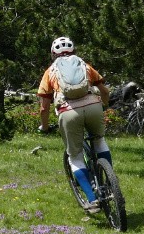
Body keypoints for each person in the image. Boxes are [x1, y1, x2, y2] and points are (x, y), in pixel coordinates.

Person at [36, 36, 112, 211]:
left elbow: (44, 107)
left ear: (53, 54)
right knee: (99, 141)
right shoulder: (85, 66)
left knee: (75, 156)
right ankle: (109, 181)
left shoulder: (50, 72)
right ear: (74, 51)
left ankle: (92, 200)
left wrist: (45, 127)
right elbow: (104, 90)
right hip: (94, 106)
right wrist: (104, 106)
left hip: (68, 112)